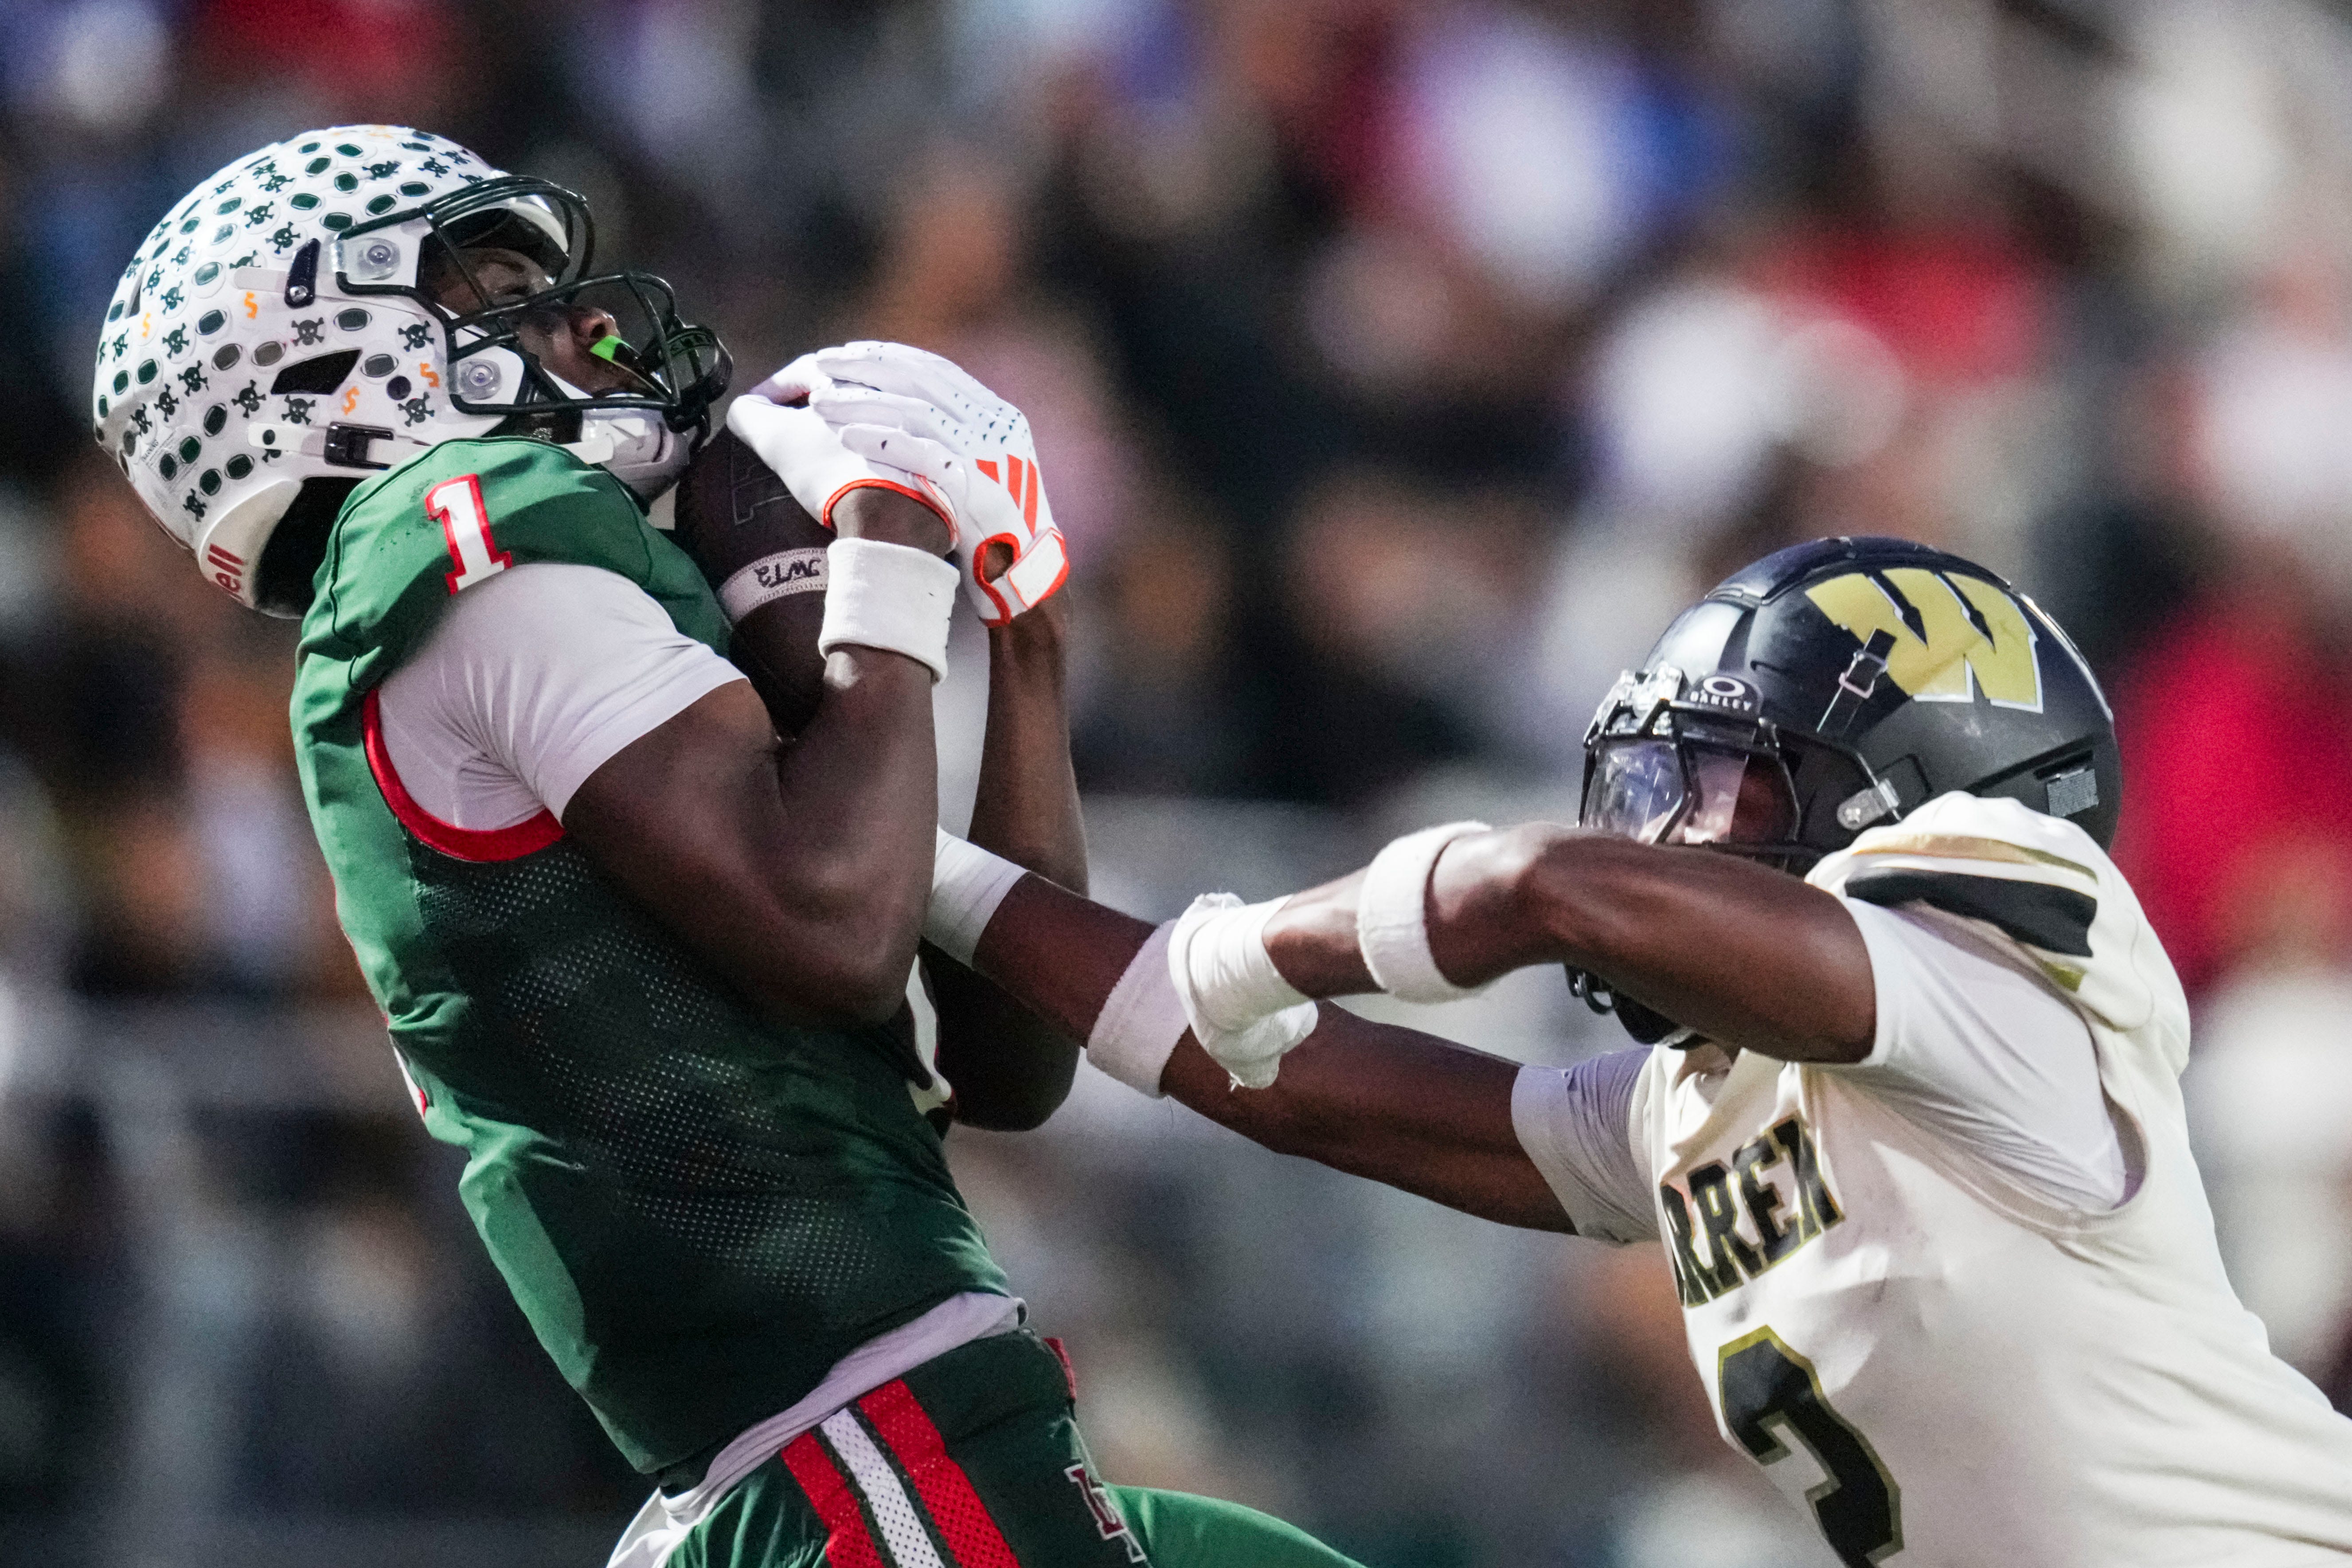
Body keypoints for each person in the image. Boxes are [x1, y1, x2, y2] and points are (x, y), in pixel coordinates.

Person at [93, 126, 1360, 1568]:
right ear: (329, 360)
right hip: (852, 1438)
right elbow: (832, 926)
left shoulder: (541, 580)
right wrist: (884, 549)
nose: (571, 319)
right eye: (492, 277)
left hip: (883, 1419)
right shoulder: (451, 538)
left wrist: (1026, 629)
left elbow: (1012, 1060)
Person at [904, 531, 2352, 1567]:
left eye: (1720, 779)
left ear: (1912, 793)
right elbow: (1287, 1087)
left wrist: (1251, 944)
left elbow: (1544, 887)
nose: (1663, 824)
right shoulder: (1698, 1107)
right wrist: (925, 877)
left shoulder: (2010, 997)